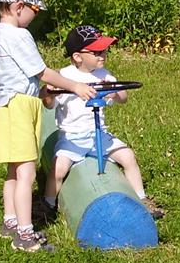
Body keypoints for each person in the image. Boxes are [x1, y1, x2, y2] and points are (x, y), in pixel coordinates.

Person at [0, 0, 97, 252]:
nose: (35, 15)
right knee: (27, 173)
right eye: (34, 9)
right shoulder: (18, 34)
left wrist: (42, 92)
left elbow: (23, 76)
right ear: (19, 6)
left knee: (14, 169)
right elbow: (41, 71)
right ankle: (25, 235)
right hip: (20, 107)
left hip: (10, 105)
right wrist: (74, 85)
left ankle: (10, 222)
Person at [40, 25, 165, 219]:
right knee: (58, 169)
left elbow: (123, 98)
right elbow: (48, 104)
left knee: (128, 157)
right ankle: (47, 205)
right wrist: (49, 94)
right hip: (72, 138)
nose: (103, 55)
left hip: (99, 133)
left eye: (104, 50)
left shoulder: (104, 75)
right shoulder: (64, 78)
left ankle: (141, 199)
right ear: (77, 56)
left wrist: (115, 92)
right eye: (96, 52)